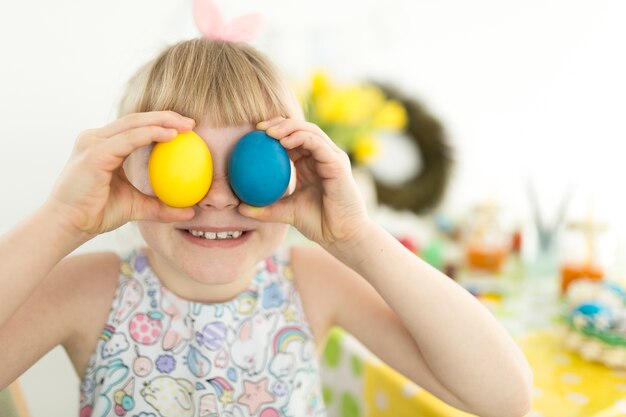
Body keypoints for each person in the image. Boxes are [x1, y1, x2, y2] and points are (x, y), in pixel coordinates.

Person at [0, 38, 532, 417]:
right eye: (184, 166)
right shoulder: (88, 291)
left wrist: (358, 238)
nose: (218, 196)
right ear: (127, 172)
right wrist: (62, 221)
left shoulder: (313, 281)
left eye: (251, 166)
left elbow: (503, 398)